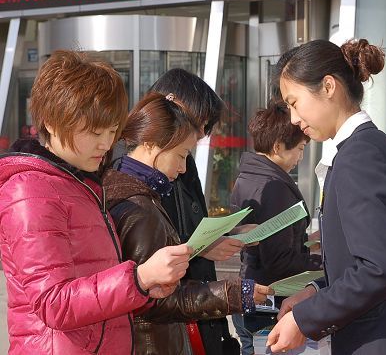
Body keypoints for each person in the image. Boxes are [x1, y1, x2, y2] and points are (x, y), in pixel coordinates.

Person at [0, 50, 192, 354]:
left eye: (112, 131)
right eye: (94, 132)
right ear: (50, 123)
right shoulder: (32, 191)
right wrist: (139, 278)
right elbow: (54, 304)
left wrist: (144, 288)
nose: (106, 144)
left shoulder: (78, 182)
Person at [265, 39, 386, 354]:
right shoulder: (368, 147)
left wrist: (305, 319)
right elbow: (366, 264)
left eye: (294, 102)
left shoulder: (360, 156)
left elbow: (378, 269)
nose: (293, 120)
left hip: (378, 340)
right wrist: (316, 292)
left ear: (328, 86)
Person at [103, 92, 274, 355]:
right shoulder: (139, 207)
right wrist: (233, 294)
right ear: (151, 144)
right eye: (181, 155)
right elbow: (159, 300)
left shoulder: (123, 188)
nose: (183, 168)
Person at [149, 68, 245, 354]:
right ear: (170, 105)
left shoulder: (184, 161)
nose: (202, 134)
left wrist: (226, 234)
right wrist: (200, 249)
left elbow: (192, 222)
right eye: (200, 123)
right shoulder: (130, 167)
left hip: (200, 305)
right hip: (174, 315)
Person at [230, 100, 323, 355]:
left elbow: (267, 240)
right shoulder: (275, 187)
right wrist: (322, 264)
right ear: (278, 146)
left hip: (249, 293)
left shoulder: (247, 176)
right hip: (269, 302)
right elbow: (278, 260)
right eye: (300, 149)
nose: (300, 157)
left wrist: (303, 241)